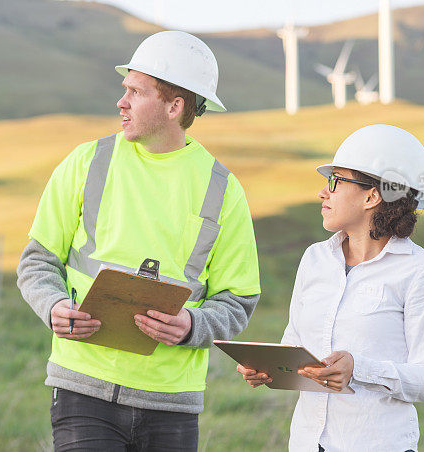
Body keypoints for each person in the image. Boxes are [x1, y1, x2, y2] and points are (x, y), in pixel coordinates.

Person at [17, 31, 261, 451]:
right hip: (83, 391)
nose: (121, 101)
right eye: (124, 89)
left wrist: (191, 326)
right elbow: (37, 261)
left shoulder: (222, 188)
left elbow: (237, 299)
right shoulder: (87, 161)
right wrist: (54, 305)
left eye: (136, 91)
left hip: (172, 403)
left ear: (174, 106)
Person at [237, 124, 424, 452]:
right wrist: (267, 369)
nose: (323, 192)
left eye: (335, 182)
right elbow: (294, 345)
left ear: (371, 196)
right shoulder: (314, 259)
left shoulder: (421, 272)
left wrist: (359, 369)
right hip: (307, 443)